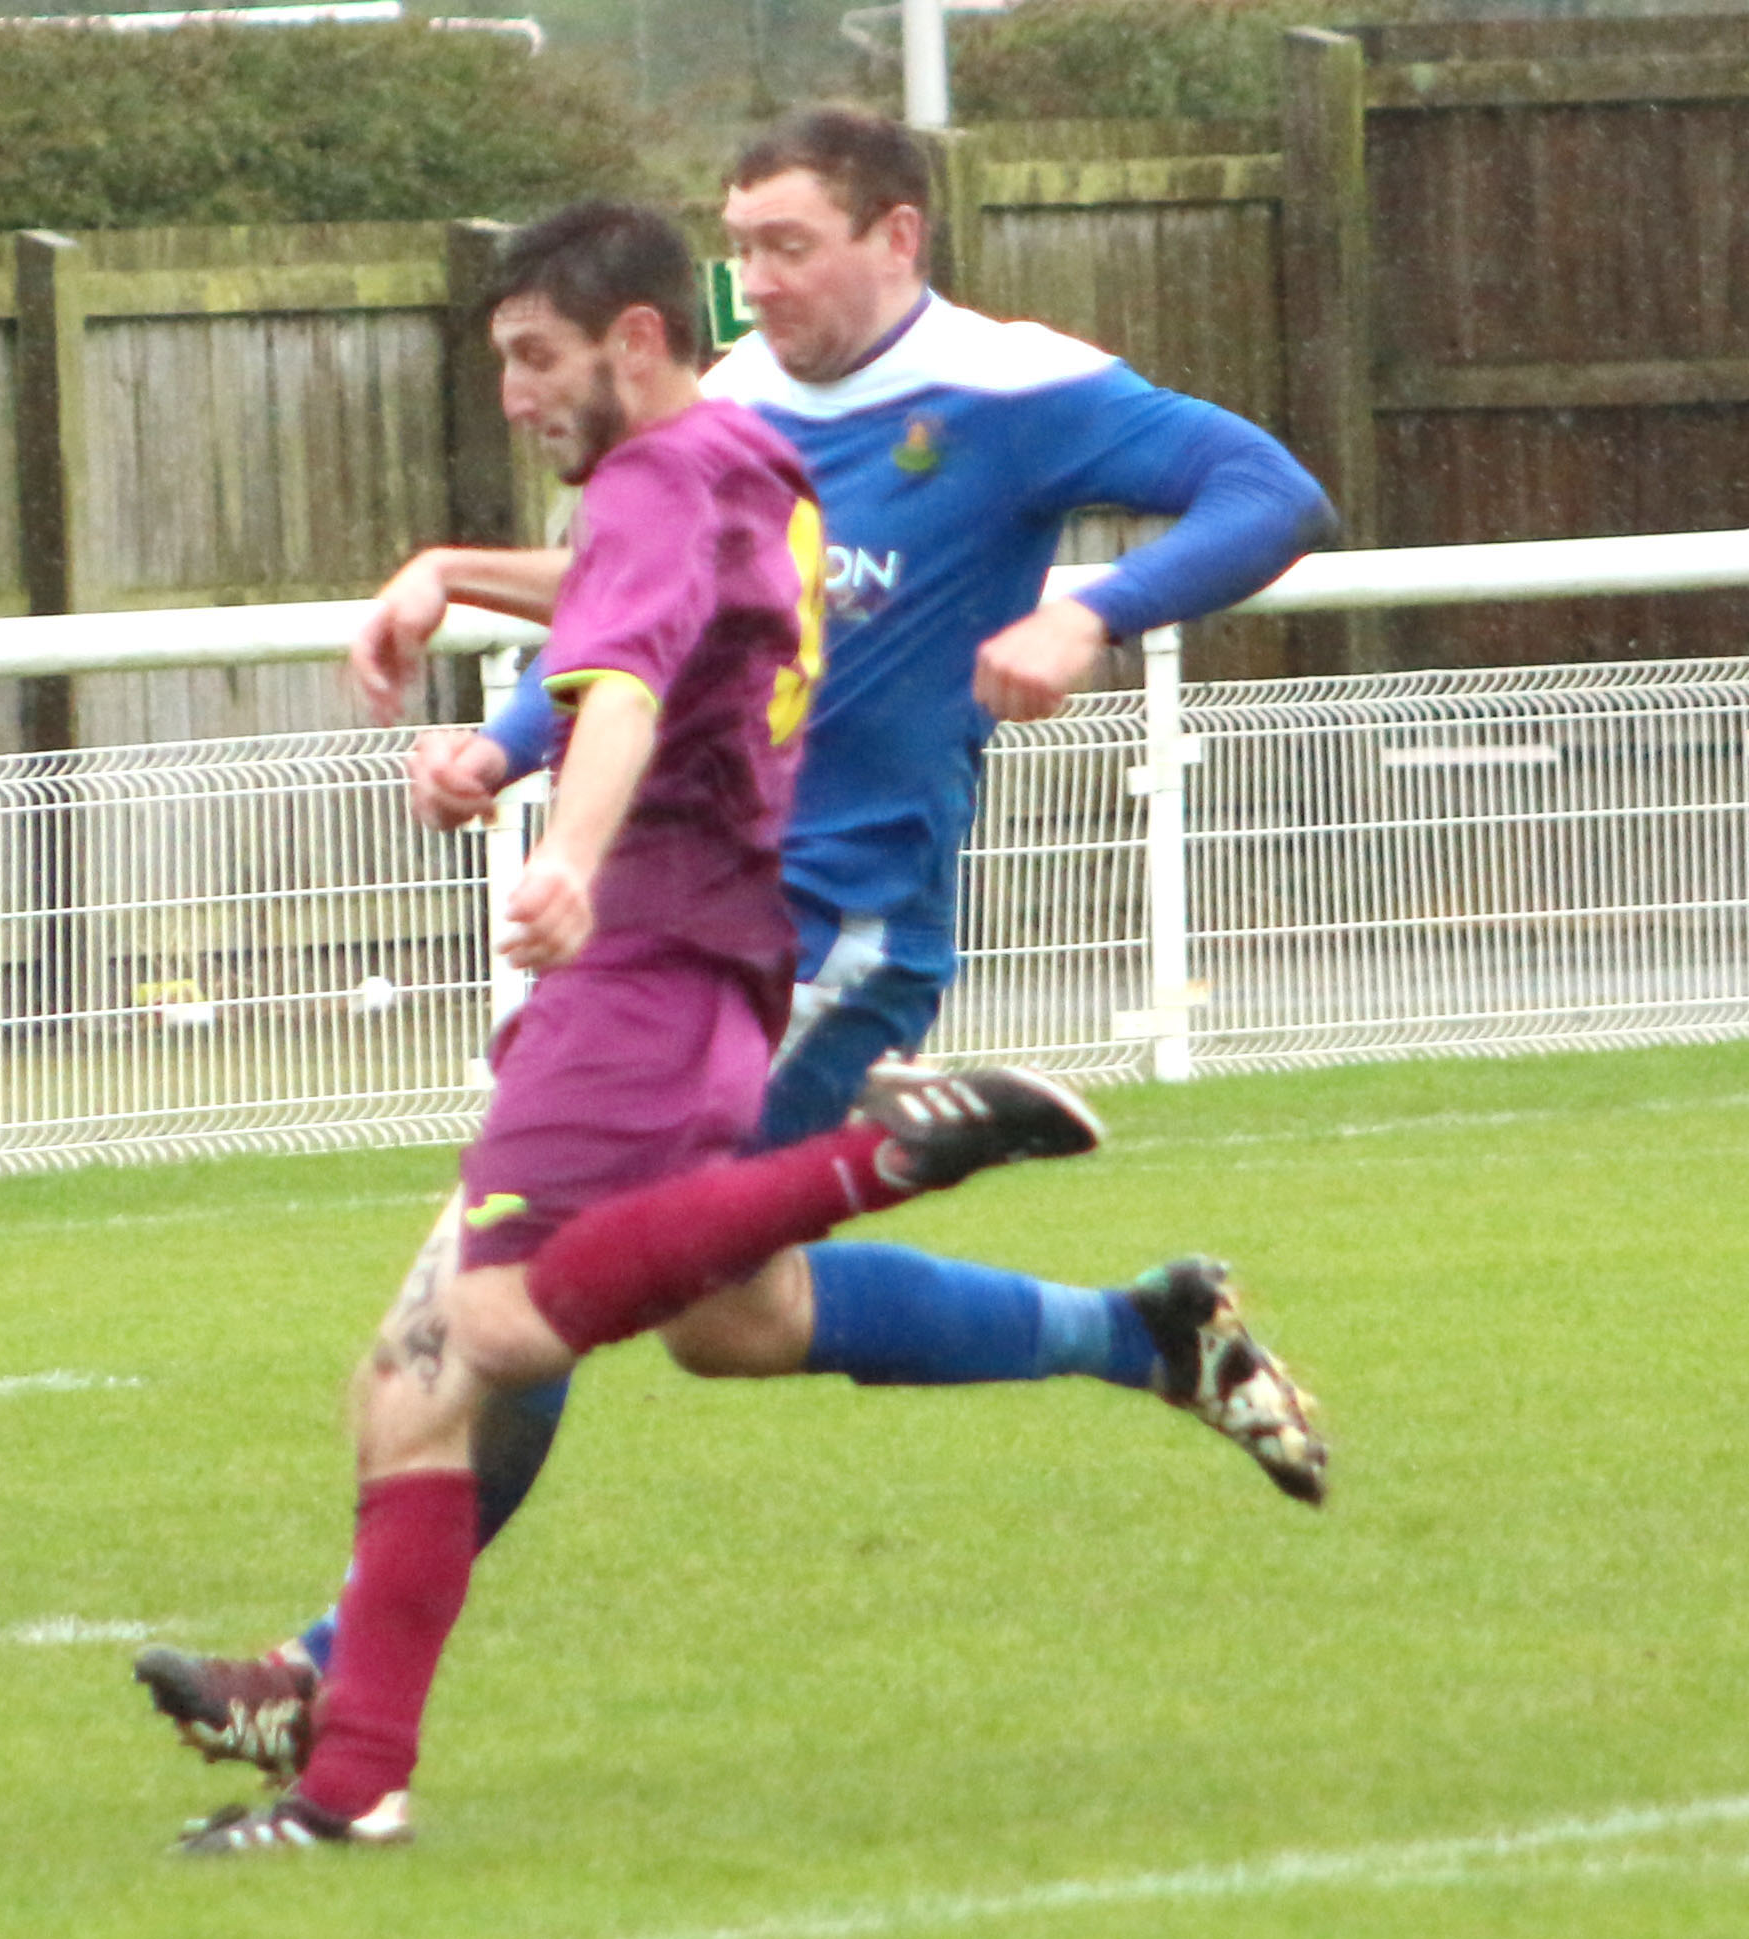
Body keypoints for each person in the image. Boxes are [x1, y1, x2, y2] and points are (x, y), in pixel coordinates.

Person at [140, 107, 1337, 1808]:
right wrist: (505, 742)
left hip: (828, 928)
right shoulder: (731, 416)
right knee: (725, 1316)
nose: (755, 281)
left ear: (899, 239)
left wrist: (1090, 611)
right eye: (739, 246)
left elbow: (1271, 490)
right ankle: (1142, 1334)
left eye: (791, 245)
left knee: (496, 1306)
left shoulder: (1012, 389)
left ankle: (331, 1696)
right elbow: (648, 618)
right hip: (679, 909)